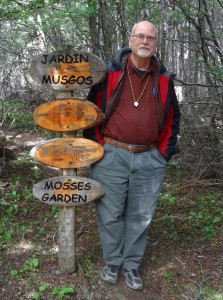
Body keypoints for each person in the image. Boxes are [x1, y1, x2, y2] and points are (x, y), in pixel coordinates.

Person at [84, 20, 180, 290]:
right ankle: (113, 261)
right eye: (140, 36)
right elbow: (90, 112)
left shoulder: (163, 79)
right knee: (110, 212)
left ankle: (132, 265)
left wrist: (163, 154)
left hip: (150, 158)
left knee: (141, 215)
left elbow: (173, 118)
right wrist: (98, 147)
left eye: (151, 37)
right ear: (131, 40)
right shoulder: (110, 72)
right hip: (111, 154)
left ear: (156, 43)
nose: (145, 41)